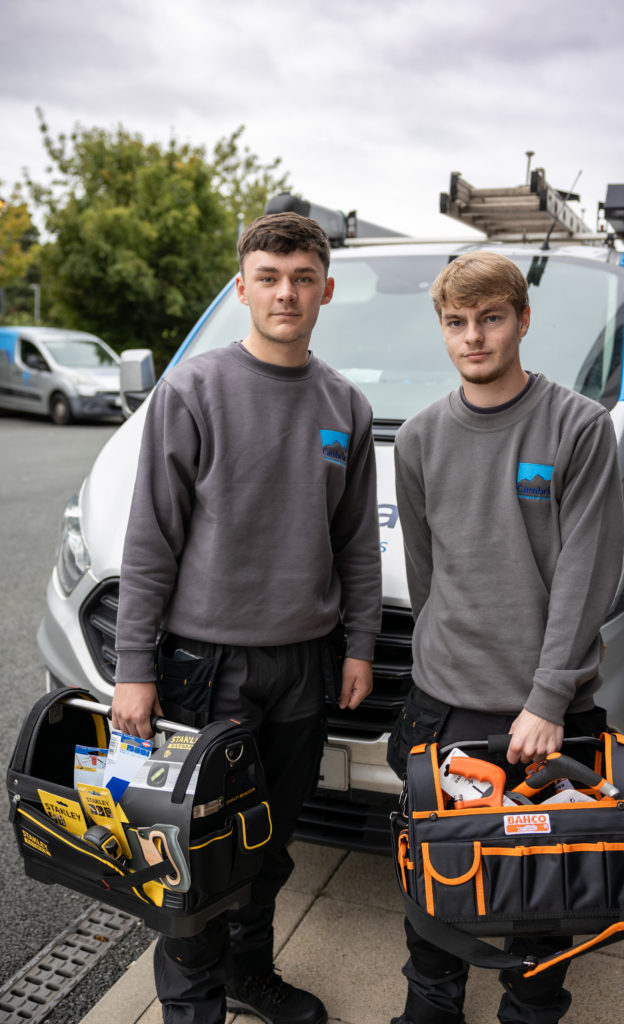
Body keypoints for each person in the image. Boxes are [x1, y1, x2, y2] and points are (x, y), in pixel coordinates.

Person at [112, 211, 382, 1024]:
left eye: (302, 278)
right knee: (194, 852)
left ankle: (247, 974)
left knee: (266, 843)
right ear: (242, 288)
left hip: (302, 665)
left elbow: (356, 544)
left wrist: (361, 645)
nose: (286, 293)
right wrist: (134, 667)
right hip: (207, 664)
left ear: (325, 289)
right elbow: (150, 539)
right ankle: (192, 1007)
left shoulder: (345, 404)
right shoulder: (192, 390)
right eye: (268, 277)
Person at [389, 250, 624, 1024]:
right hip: (442, 707)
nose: (473, 338)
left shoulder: (579, 428)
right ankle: (430, 1012)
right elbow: (426, 578)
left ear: (522, 321)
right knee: (436, 891)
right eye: (456, 323)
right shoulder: (419, 439)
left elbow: (587, 575)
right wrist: (436, 665)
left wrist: (548, 696)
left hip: (540, 716)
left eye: (490, 319)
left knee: (538, 899)